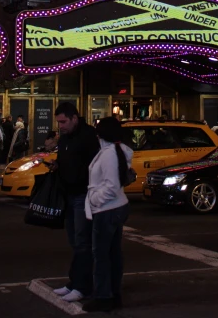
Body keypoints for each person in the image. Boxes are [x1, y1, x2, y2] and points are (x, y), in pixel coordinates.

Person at [50, 101, 100, 304]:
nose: (61, 126)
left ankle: (82, 286)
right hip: (69, 195)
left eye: (63, 121)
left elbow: (94, 166)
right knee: (75, 241)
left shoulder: (88, 137)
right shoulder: (65, 138)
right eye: (59, 122)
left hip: (83, 195)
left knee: (82, 242)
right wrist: (57, 165)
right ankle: (75, 282)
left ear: (74, 118)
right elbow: (65, 160)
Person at [83, 116, 133, 312]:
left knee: (102, 255)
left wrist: (95, 199)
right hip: (114, 208)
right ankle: (112, 294)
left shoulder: (109, 154)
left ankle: (104, 296)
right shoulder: (114, 151)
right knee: (112, 254)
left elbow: (111, 186)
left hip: (107, 209)